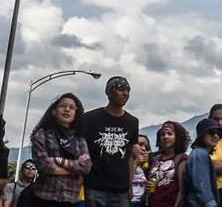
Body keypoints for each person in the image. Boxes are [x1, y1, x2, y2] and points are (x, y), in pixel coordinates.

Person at [84, 77, 140, 207]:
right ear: (109, 92)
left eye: (128, 90)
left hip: (121, 189)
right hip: (95, 186)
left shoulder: (132, 122)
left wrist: (130, 185)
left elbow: (131, 156)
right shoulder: (90, 118)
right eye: (120, 89)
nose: (125, 93)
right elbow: (82, 151)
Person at [29, 93, 93, 207]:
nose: (67, 109)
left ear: (76, 115)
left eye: (72, 107)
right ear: (54, 111)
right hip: (44, 196)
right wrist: (76, 167)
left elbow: (86, 167)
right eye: (63, 106)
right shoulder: (42, 134)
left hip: (71, 198)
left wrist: (59, 161)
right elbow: (43, 164)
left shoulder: (79, 139)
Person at [183, 118, 222, 207]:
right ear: (202, 135)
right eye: (212, 132)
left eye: (219, 133)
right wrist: (211, 204)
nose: (216, 136)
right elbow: (201, 185)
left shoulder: (200, 154)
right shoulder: (199, 154)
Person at [147, 122, 189, 207]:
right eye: (162, 134)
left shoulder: (181, 159)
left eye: (170, 134)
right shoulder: (155, 159)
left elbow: (182, 190)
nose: (166, 137)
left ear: (177, 137)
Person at [130, 135, 150, 207]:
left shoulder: (144, 165)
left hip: (142, 202)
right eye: (140, 144)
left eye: (146, 147)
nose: (144, 149)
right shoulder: (123, 163)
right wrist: (135, 164)